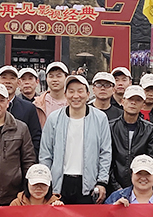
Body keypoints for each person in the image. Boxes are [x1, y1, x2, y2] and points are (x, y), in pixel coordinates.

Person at [39, 74, 111, 205]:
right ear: (65, 94)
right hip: (59, 183)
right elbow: (45, 153)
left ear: (88, 94)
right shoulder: (54, 118)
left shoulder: (100, 118)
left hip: (88, 184)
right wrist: (46, 181)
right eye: (71, 91)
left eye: (80, 91)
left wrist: (102, 182)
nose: (76, 96)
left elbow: (105, 152)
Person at [108, 85, 153, 191]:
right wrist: (115, 186)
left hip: (139, 186)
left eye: (138, 100)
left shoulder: (149, 129)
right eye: (130, 99)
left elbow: (151, 159)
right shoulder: (111, 127)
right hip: (113, 186)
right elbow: (107, 159)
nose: (133, 103)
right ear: (123, 101)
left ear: (143, 105)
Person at [0, 66, 43, 151]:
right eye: (4, 78)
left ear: (18, 83)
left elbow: (35, 140)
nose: (8, 82)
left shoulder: (28, 108)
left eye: (12, 78)